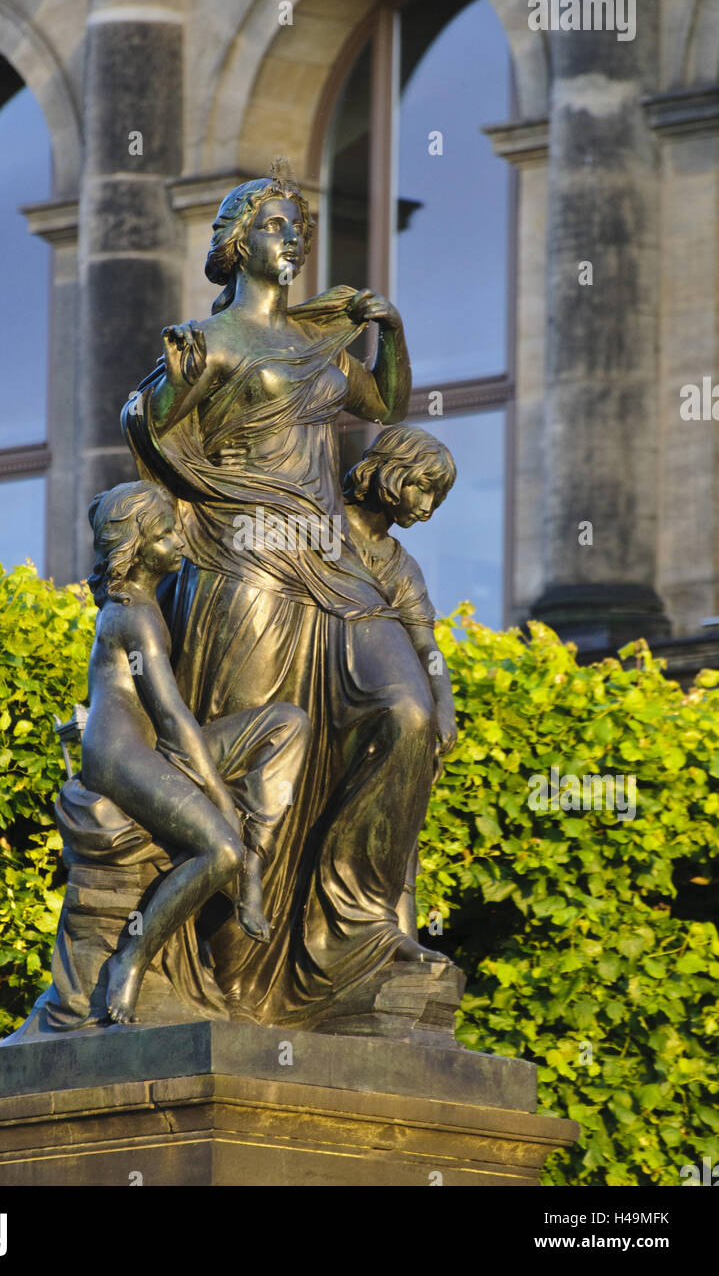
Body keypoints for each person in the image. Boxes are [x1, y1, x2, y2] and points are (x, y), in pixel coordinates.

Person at [122, 169, 449, 1026]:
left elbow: (380, 403)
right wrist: (171, 381)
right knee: (260, 785)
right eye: (274, 225)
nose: (291, 238)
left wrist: (392, 332)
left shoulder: (319, 345)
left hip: (332, 564)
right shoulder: (211, 339)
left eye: (298, 225)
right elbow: (148, 427)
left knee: (407, 717)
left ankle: (360, 927)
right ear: (236, 243)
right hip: (250, 565)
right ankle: (233, 983)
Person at [80, 480, 311, 1024]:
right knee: (222, 851)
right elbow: (173, 718)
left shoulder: (146, 602)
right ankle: (130, 960)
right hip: (119, 755)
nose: (178, 541)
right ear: (135, 548)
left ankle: (254, 855)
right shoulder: (132, 614)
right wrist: (222, 804)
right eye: (165, 535)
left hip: (148, 745)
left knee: (288, 722)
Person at [342, 424, 459, 780]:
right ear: (390, 472)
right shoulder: (320, 522)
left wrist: (445, 705)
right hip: (311, 664)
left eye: (435, 497)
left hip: (366, 688)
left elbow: (426, 647)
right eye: (422, 489)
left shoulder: (404, 568)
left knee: (409, 715)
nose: (427, 508)